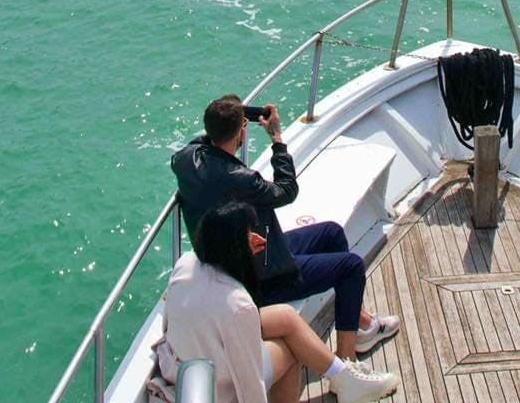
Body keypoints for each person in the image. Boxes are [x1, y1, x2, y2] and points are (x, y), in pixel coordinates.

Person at [171, 95, 400, 359]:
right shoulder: (242, 181)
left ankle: (359, 322)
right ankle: (348, 358)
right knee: (351, 267)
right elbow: (287, 190)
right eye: (243, 123)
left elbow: (219, 126)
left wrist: (243, 115)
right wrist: (276, 138)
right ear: (240, 132)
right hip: (259, 276)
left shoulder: (186, 160)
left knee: (331, 233)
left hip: (235, 256)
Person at [162, 201, 400, 403]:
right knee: (290, 349)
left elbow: (169, 322)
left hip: (184, 358)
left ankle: (344, 376)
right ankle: (347, 382)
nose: (255, 238)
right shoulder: (238, 304)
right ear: (233, 247)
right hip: (220, 382)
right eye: (248, 234)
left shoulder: (186, 264)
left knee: (285, 316)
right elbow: (248, 377)